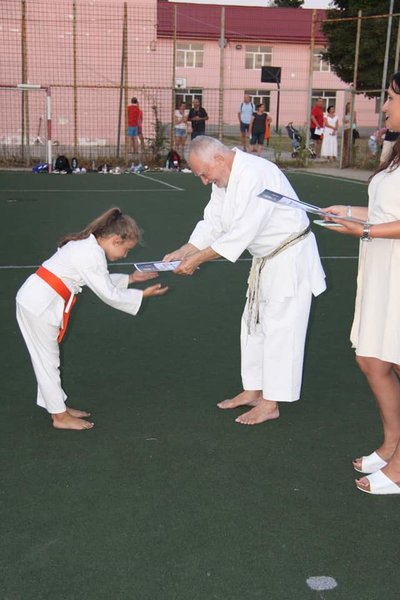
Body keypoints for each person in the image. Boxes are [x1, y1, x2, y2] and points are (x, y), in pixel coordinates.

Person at [163, 136, 326, 425]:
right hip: (266, 259)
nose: (203, 181)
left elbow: (242, 233)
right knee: (252, 324)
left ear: (219, 160)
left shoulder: (256, 174)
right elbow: (212, 223)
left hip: (289, 258)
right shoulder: (223, 179)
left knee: (281, 329)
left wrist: (197, 260)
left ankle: (271, 402)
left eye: (203, 173)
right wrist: (184, 250)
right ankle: (253, 389)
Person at [16, 208, 168, 431]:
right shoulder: (90, 254)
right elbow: (106, 292)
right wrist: (142, 294)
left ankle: (58, 407)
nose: (125, 256)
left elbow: (98, 281)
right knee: (47, 361)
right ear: (116, 240)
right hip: (39, 305)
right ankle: (59, 416)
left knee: (48, 360)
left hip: (38, 300)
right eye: (126, 250)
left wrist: (132, 278)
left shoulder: (88, 246)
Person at [323, 71, 400, 495]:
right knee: (372, 359)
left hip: (396, 269)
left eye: (389, 98)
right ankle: (392, 444)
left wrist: (365, 230)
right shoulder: (397, 148)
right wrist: (350, 211)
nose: (384, 106)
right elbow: (388, 208)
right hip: (382, 268)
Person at [342, 101, 357, 166]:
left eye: (350, 106)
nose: (349, 107)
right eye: (348, 106)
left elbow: (354, 120)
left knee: (350, 144)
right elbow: (343, 120)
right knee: (345, 145)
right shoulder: (345, 113)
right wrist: (346, 121)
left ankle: (350, 159)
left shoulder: (353, 112)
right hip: (345, 129)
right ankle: (344, 159)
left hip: (351, 129)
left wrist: (353, 127)